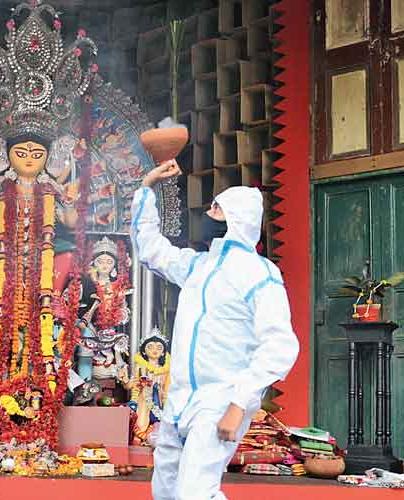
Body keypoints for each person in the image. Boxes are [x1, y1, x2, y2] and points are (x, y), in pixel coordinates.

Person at [131, 159, 299, 500]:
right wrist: (147, 189)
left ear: (236, 220)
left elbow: (280, 345)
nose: (207, 214)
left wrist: (239, 405)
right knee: (165, 491)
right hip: (179, 401)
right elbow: (151, 249)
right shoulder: (198, 266)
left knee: (195, 493)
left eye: (216, 209)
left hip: (221, 400)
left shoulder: (258, 273)